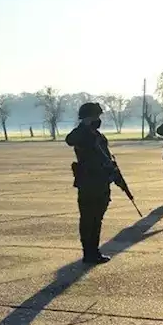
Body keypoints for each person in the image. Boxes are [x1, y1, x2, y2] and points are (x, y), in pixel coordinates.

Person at [66, 102, 117, 264]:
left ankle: (94, 251)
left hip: (101, 182)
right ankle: (89, 253)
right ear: (88, 117)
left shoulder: (98, 136)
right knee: (88, 218)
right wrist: (84, 126)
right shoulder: (81, 134)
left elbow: (107, 158)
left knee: (97, 219)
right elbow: (70, 140)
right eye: (95, 116)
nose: (98, 119)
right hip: (89, 183)